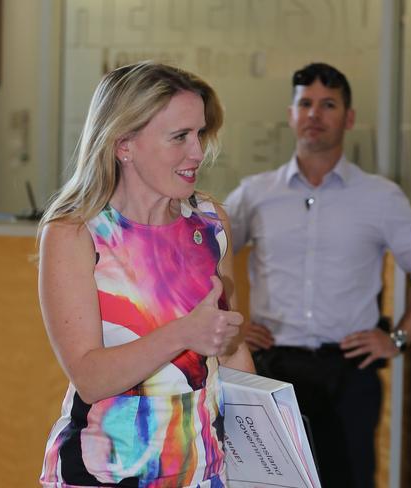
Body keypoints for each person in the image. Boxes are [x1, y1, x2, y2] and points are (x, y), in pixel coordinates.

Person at [224, 62, 411, 488]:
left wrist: (398, 338)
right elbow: (204, 262)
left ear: (348, 118)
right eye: (305, 103)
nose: (315, 114)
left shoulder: (380, 197)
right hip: (273, 369)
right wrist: (233, 331)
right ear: (291, 115)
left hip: (349, 372)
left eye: (328, 104)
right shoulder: (256, 194)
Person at [38, 61, 254, 487]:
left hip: (205, 473)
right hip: (105, 472)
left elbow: (229, 351)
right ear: (124, 144)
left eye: (200, 134)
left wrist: (259, 450)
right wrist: (183, 333)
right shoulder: (76, 233)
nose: (198, 152)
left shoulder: (210, 223)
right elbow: (90, 378)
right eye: (179, 137)